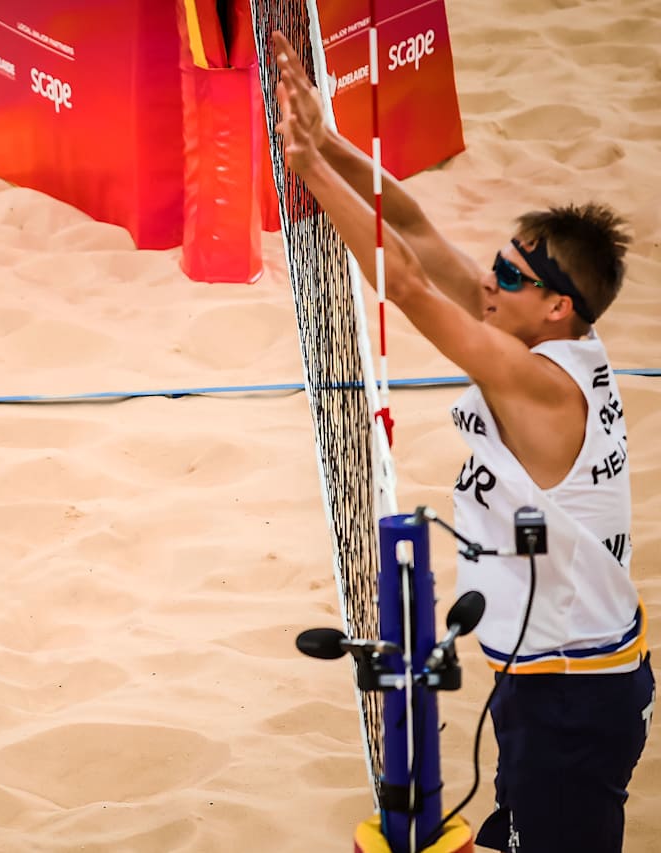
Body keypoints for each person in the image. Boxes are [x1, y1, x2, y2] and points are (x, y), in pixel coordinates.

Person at [273, 32, 653, 853]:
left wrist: (303, 170)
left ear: (560, 307)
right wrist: (326, 136)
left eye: (511, 277)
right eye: (496, 262)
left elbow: (404, 282)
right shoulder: (535, 342)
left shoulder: (542, 386)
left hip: (572, 698)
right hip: (547, 682)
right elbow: (409, 223)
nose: (488, 279)